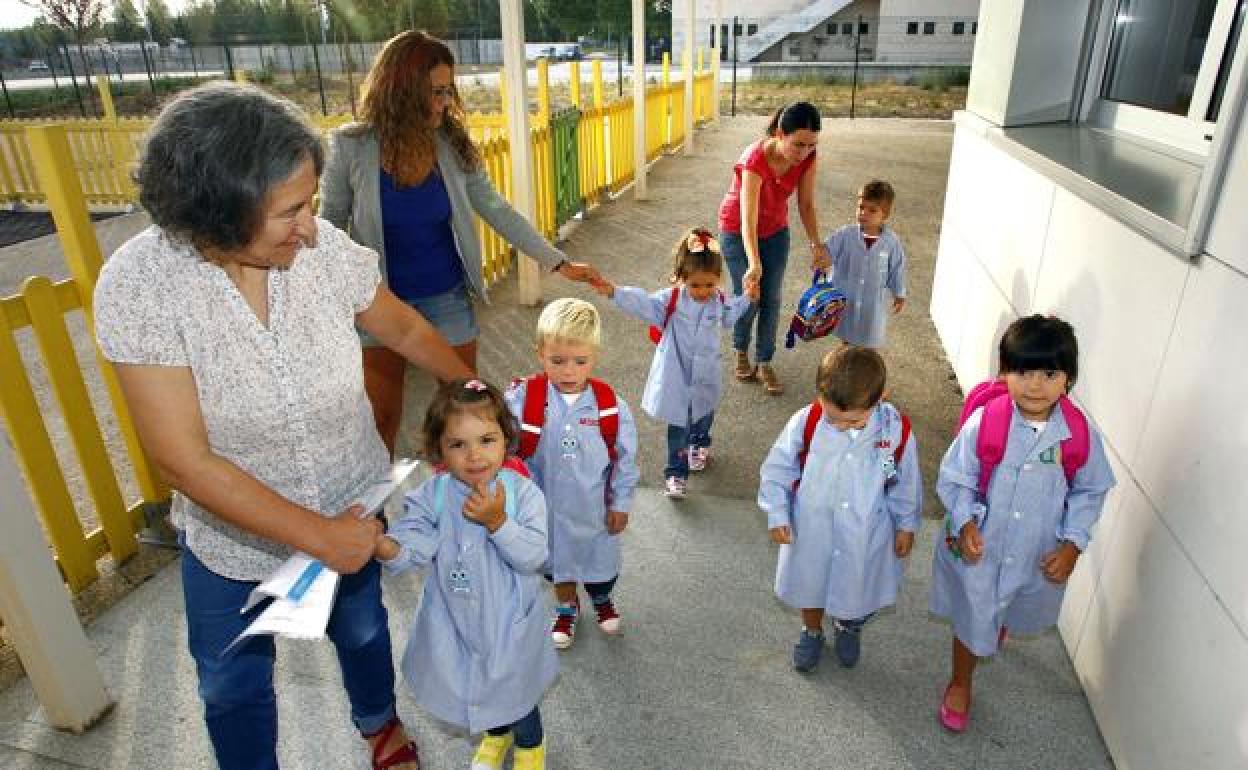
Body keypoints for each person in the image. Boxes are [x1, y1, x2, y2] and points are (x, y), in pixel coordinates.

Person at [92, 82, 469, 770]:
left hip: (348, 500)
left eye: (311, 200)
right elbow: (182, 461)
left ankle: (377, 722)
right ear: (219, 214)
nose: (310, 227)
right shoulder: (139, 287)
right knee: (230, 685)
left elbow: (403, 325)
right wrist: (319, 537)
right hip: (230, 542)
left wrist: (470, 390)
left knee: (360, 631)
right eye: (289, 210)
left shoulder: (322, 252)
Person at [319, 30, 600, 455]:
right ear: (399, 92)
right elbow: (329, 225)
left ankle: (462, 502)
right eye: (433, 92)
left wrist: (558, 262)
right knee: (381, 417)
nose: (444, 102)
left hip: (446, 298)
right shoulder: (351, 146)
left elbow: (497, 210)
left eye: (448, 90)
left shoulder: (451, 144)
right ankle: (376, 514)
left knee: (465, 411)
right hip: (377, 304)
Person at [930, 316, 1116, 732]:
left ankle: (996, 625)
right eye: (1023, 372)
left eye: (1049, 373)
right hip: (980, 548)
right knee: (972, 616)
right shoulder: (987, 423)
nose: (1035, 385)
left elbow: (1090, 491)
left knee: (1011, 604)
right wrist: (964, 522)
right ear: (1004, 373)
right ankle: (961, 683)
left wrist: (1073, 545)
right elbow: (954, 477)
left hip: (1036, 551)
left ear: (1069, 378)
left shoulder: (1078, 436)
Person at [373, 379, 557, 770]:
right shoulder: (433, 496)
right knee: (477, 683)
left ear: (505, 440)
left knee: (516, 695)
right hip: (455, 617)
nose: (474, 456)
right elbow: (414, 543)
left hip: (508, 622)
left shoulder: (523, 494)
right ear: (439, 449)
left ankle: (530, 745)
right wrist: (386, 546)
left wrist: (499, 522)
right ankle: (495, 734)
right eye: (458, 444)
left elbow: (534, 556)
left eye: (486, 440)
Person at [758, 347, 922, 672]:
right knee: (811, 584)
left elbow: (906, 481)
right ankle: (812, 629)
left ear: (880, 398)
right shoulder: (807, 422)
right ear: (820, 393)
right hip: (812, 525)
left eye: (851, 420)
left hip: (865, 529)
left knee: (856, 584)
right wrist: (777, 513)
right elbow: (777, 470)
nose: (840, 425)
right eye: (831, 416)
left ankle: (848, 624)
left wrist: (906, 525)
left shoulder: (895, 430)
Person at [504, 298, 640, 649]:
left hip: (593, 507)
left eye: (580, 362)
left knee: (600, 563)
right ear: (540, 353)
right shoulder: (524, 398)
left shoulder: (611, 407)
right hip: (542, 508)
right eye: (557, 361)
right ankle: (566, 606)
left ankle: (601, 599)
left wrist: (621, 503)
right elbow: (502, 443)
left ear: (595, 357)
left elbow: (625, 460)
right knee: (556, 564)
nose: (568, 371)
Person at [591, 227, 757, 498]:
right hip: (676, 372)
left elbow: (730, 316)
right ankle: (676, 473)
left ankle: (700, 442)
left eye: (709, 284)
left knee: (705, 411)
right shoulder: (671, 300)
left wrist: (747, 298)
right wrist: (614, 292)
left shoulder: (719, 300)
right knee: (679, 424)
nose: (702, 291)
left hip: (706, 372)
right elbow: (641, 302)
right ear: (681, 278)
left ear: (717, 281)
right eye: (695, 285)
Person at [717, 101, 828, 395]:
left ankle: (764, 360)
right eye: (797, 145)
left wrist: (816, 244)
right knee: (750, 295)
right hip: (737, 229)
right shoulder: (754, 159)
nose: (803, 152)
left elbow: (805, 204)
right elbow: (748, 218)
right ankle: (741, 349)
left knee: (773, 298)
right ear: (780, 133)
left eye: (810, 145)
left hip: (776, 230)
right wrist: (754, 263)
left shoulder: (808, 157)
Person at [825, 180, 907, 348]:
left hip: (872, 303)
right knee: (846, 335)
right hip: (846, 298)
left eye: (872, 210)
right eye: (861, 207)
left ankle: (865, 367)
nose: (864, 213)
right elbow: (827, 250)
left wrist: (899, 293)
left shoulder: (891, 242)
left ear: (885, 215)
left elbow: (897, 268)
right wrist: (821, 258)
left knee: (868, 338)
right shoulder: (845, 235)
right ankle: (843, 360)